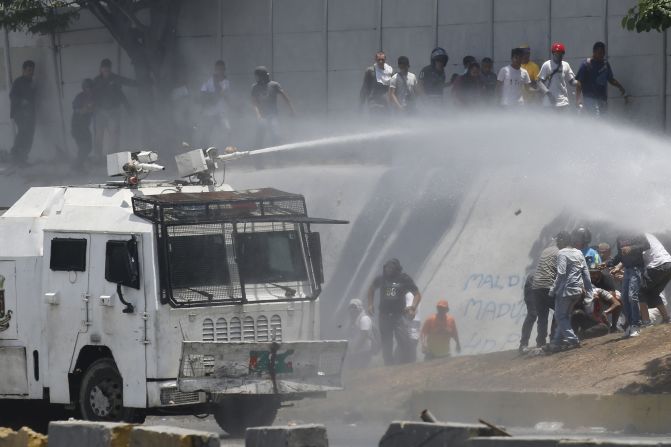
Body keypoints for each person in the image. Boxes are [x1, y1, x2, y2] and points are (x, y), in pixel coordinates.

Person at [367, 258, 421, 366]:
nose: (389, 270)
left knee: (403, 339)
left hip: (399, 316)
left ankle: (406, 362)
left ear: (397, 268)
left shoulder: (404, 279)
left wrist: (412, 307)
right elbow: (371, 289)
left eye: (391, 267)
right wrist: (370, 304)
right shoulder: (381, 279)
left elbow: (417, 294)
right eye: (387, 267)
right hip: (384, 316)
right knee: (386, 341)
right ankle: (388, 364)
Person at [547, 231, 593, 352]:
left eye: (558, 240)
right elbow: (586, 274)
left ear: (562, 241)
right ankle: (557, 341)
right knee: (564, 316)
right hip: (577, 291)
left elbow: (561, 273)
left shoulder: (562, 253)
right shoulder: (578, 252)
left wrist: (553, 289)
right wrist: (589, 291)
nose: (557, 243)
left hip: (565, 291)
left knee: (560, 316)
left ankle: (573, 340)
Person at [607, 234, 650, 338]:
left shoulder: (636, 231)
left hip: (636, 268)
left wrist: (631, 248)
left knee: (632, 296)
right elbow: (620, 255)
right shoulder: (620, 237)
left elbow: (646, 245)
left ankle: (636, 325)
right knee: (624, 298)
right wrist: (608, 263)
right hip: (626, 270)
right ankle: (630, 325)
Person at [92, 58, 136, 156]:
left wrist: (140, 84)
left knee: (114, 135)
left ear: (110, 69)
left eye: (107, 70)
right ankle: (98, 157)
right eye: (104, 70)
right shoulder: (96, 81)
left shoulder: (115, 79)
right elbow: (91, 95)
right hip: (100, 111)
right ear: (100, 69)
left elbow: (124, 88)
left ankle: (113, 156)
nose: (105, 72)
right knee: (99, 135)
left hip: (113, 111)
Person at [532, 232, 569, 347]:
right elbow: (562, 272)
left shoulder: (546, 250)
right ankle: (554, 339)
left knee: (542, 316)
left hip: (536, 286)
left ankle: (540, 342)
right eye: (566, 242)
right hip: (548, 286)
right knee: (560, 311)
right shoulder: (561, 253)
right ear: (562, 241)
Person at [576, 41, 628, 116]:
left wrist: (621, 88)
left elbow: (611, 79)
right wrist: (578, 99)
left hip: (602, 98)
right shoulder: (586, 64)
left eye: (603, 53)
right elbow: (579, 82)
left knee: (603, 118)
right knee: (596, 117)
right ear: (594, 52)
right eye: (600, 52)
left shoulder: (605, 64)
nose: (602, 55)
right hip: (590, 98)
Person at [251, 66, 294, 149]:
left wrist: (291, 110)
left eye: (257, 76)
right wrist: (258, 114)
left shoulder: (274, 85)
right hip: (262, 116)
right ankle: (257, 160)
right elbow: (254, 103)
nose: (256, 78)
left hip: (273, 116)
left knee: (275, 136)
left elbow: (285, 97)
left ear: (261, 76)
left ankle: (278, 159)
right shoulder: (255, 87)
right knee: (259, 139)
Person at [9, 60, 37, 166]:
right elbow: (12, 96)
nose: (31, 72)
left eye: (32, 70)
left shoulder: (32, 82)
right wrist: (21, 101)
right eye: (29, 70)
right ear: (23, 70)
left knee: (29, 135)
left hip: (30, 114)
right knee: (23, 133)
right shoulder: (18, 81)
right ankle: (15, 156)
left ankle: (22, 158)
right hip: (20, 113)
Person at [199, 60, 231, 149]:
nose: (220, 71)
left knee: (226, 130)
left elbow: (225, 95)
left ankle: (223, 152)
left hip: (221, 112)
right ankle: (204, 153)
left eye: (222, 69)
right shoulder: (209, 81)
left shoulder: (226, 82)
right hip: (210, 112)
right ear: (215, 69)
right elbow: (202, 93)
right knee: (207, 133)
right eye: (218, 69)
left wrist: (233, 106)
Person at [640, 233, 671, 325]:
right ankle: (666, 318)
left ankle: (646, 322)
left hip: (657, 264)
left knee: (640, 291)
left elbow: (638, 257)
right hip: (668, 263)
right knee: (653, 293)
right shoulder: (647, 234)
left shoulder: (638, 236)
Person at [538, 42, 577, 111]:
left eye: (561, 53)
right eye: (557, 53)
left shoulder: (566, 65)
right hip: (549, 103)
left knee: (564, 121)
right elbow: (540, 82)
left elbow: (572, 81)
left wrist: (580, 82)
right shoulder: (546, 65)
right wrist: (548, 93)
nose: (559, 55)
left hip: (564, 102)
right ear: (553, 53)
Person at [71, 79, 95, 167]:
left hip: (84, 127)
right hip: (77, 127)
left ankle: (78, 164)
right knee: (85, 147)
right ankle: (76, 166)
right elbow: (76, 108)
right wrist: (84, 110)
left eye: (91, 88)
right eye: (87, 88)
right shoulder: (80, 97)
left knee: (88, 147)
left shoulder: (93, 97)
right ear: (84, 88)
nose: (89, 90)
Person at [345, 299, 376, 369]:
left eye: (354, 307)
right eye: (350, 307)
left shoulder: (364, 319)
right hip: (356, 352)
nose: (352, 310)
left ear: (360, 308)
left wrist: (354, 350)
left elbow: (364, 336)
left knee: (361, 372)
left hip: (364, 352)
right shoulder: (353, 320)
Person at [589, 268, 622, 332]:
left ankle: (614, 326)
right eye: (590, 273)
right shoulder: (587, 280)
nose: (592, 275)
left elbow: (613, 295)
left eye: (594, 273)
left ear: (599, 273)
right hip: (592, 297)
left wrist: (606, 311)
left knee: (618, 300)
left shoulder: (607, 278)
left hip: (605, 295)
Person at [518, 275, 538, 353]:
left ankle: (554, 340)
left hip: (547, 282)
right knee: (533, 314)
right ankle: (523, 344)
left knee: (560, 309)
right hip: (534, 281)